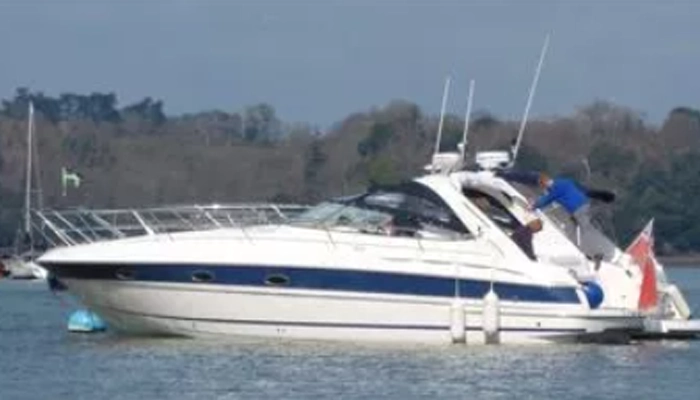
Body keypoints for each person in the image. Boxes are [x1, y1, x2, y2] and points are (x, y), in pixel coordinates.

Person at [531, 173, 592, 248]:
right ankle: (576, 244)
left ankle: (581, 248)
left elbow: (547, 199)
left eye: (543, 186)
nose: (544, 188)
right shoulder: (562, 182)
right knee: (575, 225)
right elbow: (554, 200)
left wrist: (533, 207)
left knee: (581, 227)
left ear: (545, 183)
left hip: (578, 208)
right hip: (584, 203)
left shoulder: (555, 188)